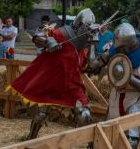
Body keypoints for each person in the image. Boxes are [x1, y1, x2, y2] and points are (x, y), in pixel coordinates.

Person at [6, 8, 96, 140]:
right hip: (51, 81)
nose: (87, 33)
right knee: (40, 115)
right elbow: (38, 37)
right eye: (86, 29)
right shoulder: (61, 33)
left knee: (85, 115)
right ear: (79, 26)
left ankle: (86, 143)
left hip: (72, 85)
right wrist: (48, 42)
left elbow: (84, 67)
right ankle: (31, 139)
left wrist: (94, 53)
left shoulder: (81, 48)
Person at [89, 23, 140, 149]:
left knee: (131, 141)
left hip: (134, 100)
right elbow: (93, 65)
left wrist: (127, 76)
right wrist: (93, 39)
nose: (117, 50)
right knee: (104, 135)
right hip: (115, 97)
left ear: (128, 46)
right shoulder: (114, 51)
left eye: (120, 48)